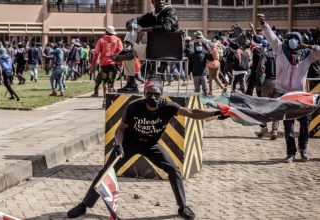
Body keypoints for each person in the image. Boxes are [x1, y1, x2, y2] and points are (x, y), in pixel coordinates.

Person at [67, 79, 227, 220]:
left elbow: (192, 112)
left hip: (151, 144)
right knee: (106, 171)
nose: (153, 97)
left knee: (174, 170)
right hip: (130, 142)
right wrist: (118, 145)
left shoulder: (168, 107)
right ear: (144, 93)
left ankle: (182, 207)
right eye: (149, 94)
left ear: (161, 95)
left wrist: (215, 113)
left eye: (156, 94)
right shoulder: (134, 107)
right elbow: (120, 129)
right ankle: (84, 205)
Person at [259, 14, 320, 162]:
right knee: (288, 125)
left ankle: (303, 149)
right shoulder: (280, 50)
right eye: (290, 38)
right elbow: (272, 37)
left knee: (305, 123)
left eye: (295, 38)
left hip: (301, 96)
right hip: (284, 94)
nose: (292, 41)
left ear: (300, 41)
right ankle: (290, 153)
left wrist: (308, 46)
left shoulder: (308, 55)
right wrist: (263, 24)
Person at [90, 25, 123, 107]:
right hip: (113, 65)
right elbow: (121, 53)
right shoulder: (117, 40)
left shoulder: (101, 40)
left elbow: (96, 53)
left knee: (104, 82)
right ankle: (110, 101)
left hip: (104, 65)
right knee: (111, 83)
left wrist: (93, 65)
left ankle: (105, 100)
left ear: (106, 32)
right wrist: (121, 65)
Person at [256, 39, 279, 140]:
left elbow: (260, 67)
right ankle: (274, 130)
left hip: (268, 82)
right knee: (277, 108)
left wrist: (259, 81)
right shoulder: (282, 55)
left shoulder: (266, 54)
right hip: (279, 83)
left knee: (263, 106)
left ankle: (264, 127)